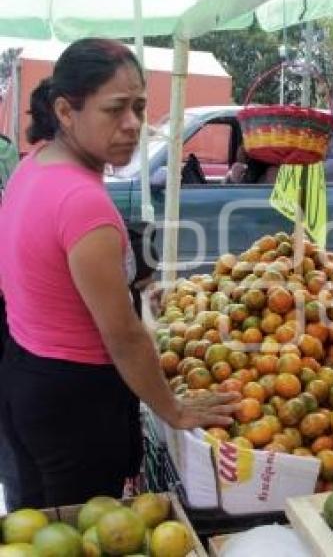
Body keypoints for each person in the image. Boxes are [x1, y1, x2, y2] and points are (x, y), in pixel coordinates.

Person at [0, 38, 236, 510]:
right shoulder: (85, 204)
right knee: (90, 530)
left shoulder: (34, 168)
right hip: (77, 400)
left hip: (23, 374)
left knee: (36, 525)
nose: (132, 125)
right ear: (66, 111)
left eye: (139, 107)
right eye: (115, 110)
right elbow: (124, 336)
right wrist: (174, 409)